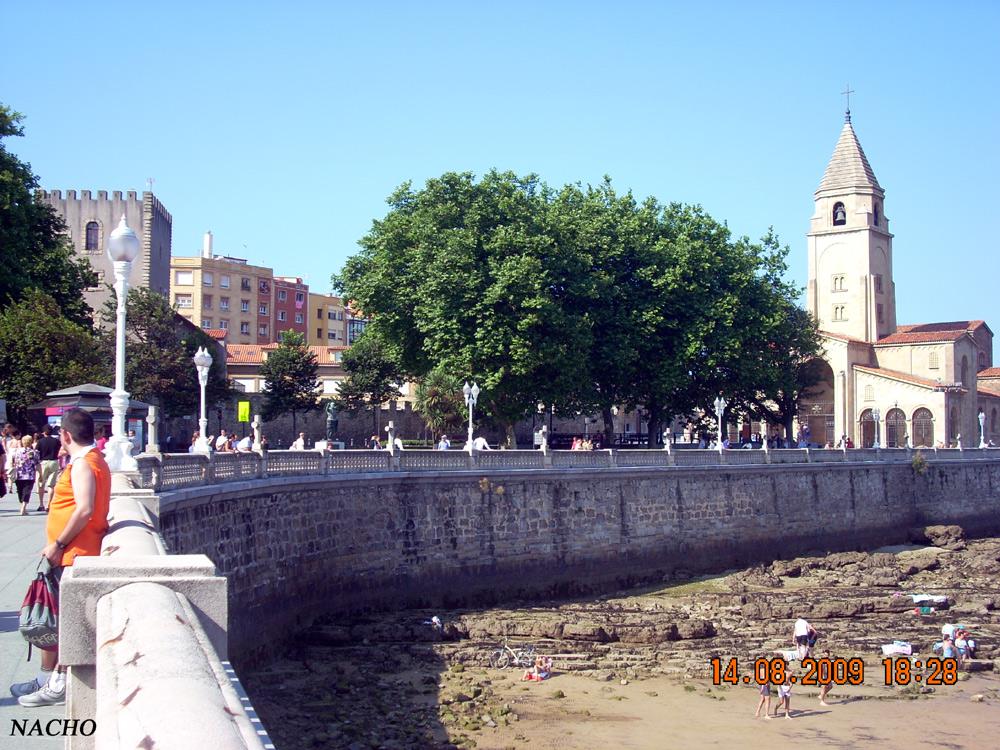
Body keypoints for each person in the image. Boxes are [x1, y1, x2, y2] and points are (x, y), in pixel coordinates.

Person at [11, 407, 111, 707]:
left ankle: (58, 685)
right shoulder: (95, 460)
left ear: (65, 435)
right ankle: (47, 678)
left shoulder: (83, 464)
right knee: (57, 618)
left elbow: (84, 509)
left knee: (63, 622)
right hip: (75, 551)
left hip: (72, 553)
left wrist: (58, 543)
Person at [12, 434, 41, 516]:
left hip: (19, 474)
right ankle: (23, 507)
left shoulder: (17, 451)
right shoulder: (34, 452)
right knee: (27, 491)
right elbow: (37, 464)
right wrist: (40, 474)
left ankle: (23, 507)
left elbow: (13, 462)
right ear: (31, 442)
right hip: (30, 475)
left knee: (20, 491)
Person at [35, 425, 62, 511]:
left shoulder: (40, 441)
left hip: (43, 463)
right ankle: (49, 505)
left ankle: (41, 504)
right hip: (54, 461)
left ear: (44, 432)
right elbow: (60, 451)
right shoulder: (57, 441)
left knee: (41, 484)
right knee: (51, 485)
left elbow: (36, 453)